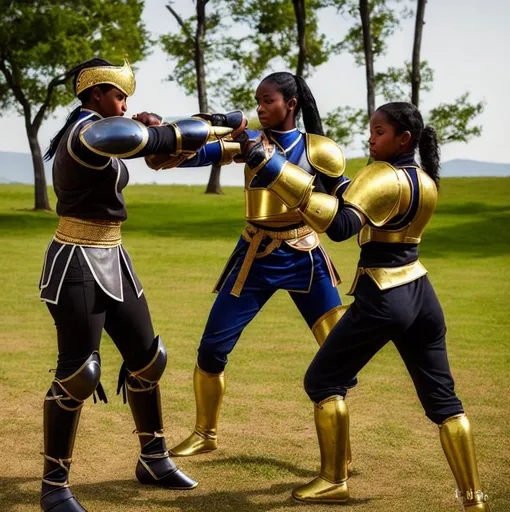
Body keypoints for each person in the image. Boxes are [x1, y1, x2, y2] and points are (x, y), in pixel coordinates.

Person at [237, 101, 490, 510]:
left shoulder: (381, 175)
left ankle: (334, 480)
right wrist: (324, 179)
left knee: (322, 382)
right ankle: (474, 499)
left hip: (382, 297)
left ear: (403, 138)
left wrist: (273, 170)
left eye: (379, 132)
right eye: (371, 131)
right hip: (422, 293)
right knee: (445, 404)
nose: (370, 138)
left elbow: (339, 227)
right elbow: (360, 200)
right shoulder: (424, 178)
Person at [39, 57, 245, 512]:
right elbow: (137, 138)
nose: (126, 104)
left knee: (148, 360)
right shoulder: (87, 131)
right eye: (119, 95)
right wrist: (199, 125)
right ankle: (54, 486)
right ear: (96, 94)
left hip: (113, 255)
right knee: (78, 374)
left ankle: (153, 457)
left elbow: (158, 153)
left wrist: (233, 145)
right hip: (75, 259)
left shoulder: (104, 132)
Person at [147, 72, 356, 458]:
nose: (260, 108)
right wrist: (163, 136)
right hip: (254, 259)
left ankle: (337, 458)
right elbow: (187, 158)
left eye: (268, 101)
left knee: (340, 354)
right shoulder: (248, 142)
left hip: (306, 259)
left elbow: (348, 198)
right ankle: (205, 434)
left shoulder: (320, 150)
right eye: (257, 101)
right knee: (211, 348)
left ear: (290, 105)